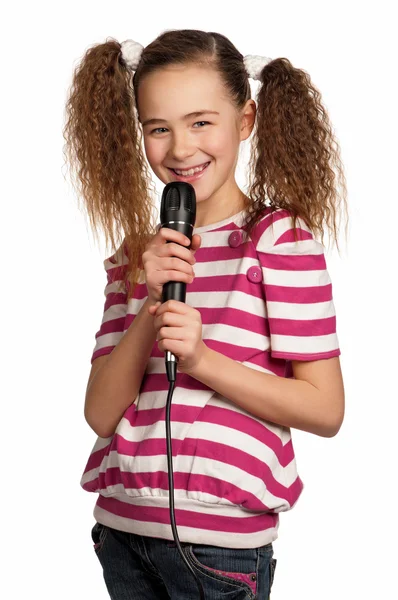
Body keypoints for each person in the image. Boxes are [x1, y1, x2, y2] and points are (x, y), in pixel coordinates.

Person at [63, 28, 348, 600]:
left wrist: (200, 357)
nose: (180, 149)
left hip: (221, 549)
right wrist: (149, 305)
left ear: (245, 122)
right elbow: (100, 413)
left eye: (201, 122)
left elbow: (325, 409)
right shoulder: (136, 256)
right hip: (121, 533)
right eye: (158, 128)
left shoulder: (277, 240)